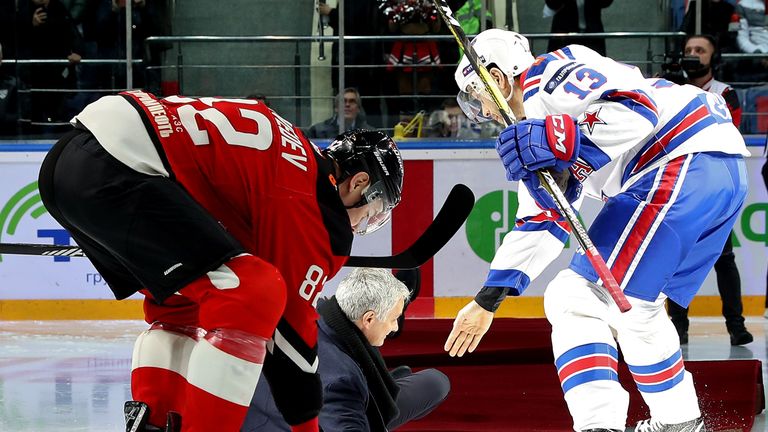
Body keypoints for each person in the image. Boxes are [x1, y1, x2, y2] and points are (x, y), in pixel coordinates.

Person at [36, 91, 405, 432]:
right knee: (253, 292)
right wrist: (306, 423)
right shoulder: (311, 201)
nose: (364, 224)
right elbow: (291, 333)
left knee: (182, 307)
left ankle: (153, 421)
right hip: (117, 167)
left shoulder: (295, 160)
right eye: (374, 212)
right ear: (357, 183)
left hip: (75, 158)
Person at [445, 29, 748, 432]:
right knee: (636, 310)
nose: (479, 111)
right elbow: (541, 219)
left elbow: (637, 108)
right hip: (715, 171)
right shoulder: (535, 120)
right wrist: (488, 300)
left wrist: (561, 141)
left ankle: (598, 425)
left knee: (574, 296)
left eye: (474, 96)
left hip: (678, 158)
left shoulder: (547, 78)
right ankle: (679, 421)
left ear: (497, 79)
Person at [243, 268, 450, 432]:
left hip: (257, 410)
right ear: (368, 319)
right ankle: (378, 387)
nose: (395, 326)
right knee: (438, 382)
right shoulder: (341, 383)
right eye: (393, 319)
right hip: (293, 418)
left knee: (430, 381)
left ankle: (380, 377)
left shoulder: (306, 314)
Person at [666, 34, 753, 347]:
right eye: (688, 50)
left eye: (699, 51)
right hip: (681, 186)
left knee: (724, 257)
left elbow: (726, 130)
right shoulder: (669, 90)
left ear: (713, 58)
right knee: (675, 258)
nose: (692, 55)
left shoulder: (724, 93)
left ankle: (736, 325)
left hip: (714, 186)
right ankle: (678, 326)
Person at [544, 0, 613, 56]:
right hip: (564, 35)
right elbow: (552, 4)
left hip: (592, 34)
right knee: (559, 65)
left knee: (596, 67)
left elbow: (605, 3)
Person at [305, 87, 374, 139]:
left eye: (352, 101)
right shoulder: (317, 131)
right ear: (336, 108)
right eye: (343, 101)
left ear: (358, 108)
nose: (347, 105)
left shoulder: (370, 133)